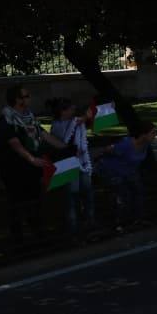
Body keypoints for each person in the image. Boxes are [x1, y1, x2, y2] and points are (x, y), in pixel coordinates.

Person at [0, 84, 66, 241]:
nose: (29, 98)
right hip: (14, 170)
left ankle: (37, 235)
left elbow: (43, 134)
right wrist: (31, 159)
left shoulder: (29, 117)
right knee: (16, 205)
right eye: (26, 96)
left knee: (34, 202)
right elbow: (15, 143)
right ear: (17, 99)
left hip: (31, 170)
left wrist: (65, 147)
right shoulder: (6, 120)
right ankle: (18, 239)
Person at [49, 97, 97, 238]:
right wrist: (85, 116)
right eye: (71, 109)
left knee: (87, 192)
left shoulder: (74, 121)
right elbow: (76, 124)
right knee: (72, 197)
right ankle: (73, 228)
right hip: (68, 165)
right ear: (63, 111)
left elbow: (84, 123)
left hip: (81, 162)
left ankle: (89, 222)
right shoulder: (58, 125)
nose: (74, 112)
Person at [97, 120, 157, 229]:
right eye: (152, 133)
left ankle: (138, 219)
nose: (155, 135)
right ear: (143, 134)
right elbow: (107, 151)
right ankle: (120, 222)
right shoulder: (126, 144)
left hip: (129, 171)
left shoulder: (146, 144)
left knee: (138, 190)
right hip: (113, 171)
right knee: (123, 194)